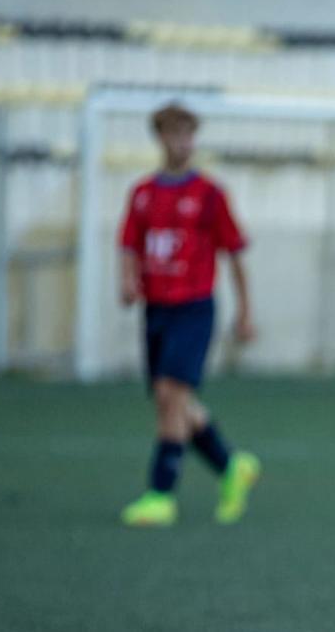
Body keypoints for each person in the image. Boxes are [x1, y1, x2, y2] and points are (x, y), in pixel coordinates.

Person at [117, 103, 261, 527]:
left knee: (169, 397)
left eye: (187, 134)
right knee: (176, 401)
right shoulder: (143, 193)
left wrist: (245, 312)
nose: (181, 142)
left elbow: (235, 255)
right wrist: (127, 280)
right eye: (172, 134)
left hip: (194, 306)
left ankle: (161, 492)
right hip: (156, 307)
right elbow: (128, 243)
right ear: (159, 138)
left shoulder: (210, 194)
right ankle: (232, 465)